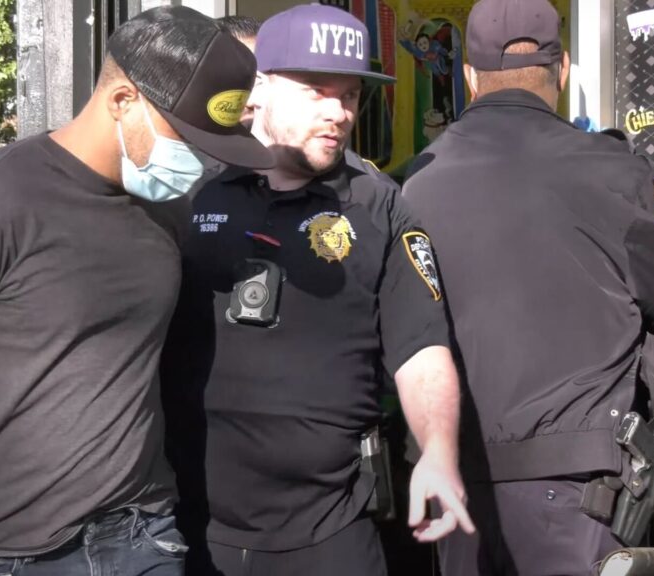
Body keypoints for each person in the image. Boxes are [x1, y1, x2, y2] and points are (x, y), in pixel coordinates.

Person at [0, 6, 273, 576]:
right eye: (186, 137)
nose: (199, 160)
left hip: (139, 536)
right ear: (122, 100)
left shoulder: (169, 212)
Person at [161, 5, 474, 576]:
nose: (338, 112)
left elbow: (422, 352)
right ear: (260, 90)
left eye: (351, 94)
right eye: (315, 90)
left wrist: (437, 449)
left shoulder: (381, 208)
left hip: (330, 534)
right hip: (193, 532)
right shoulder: (192, 196)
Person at [400, 0, 654, 574]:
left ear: (467, 77)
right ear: (562, 73)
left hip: (456, 497)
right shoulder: (614, 172)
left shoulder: (414, 186)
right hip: (581, 502)